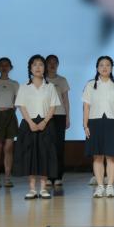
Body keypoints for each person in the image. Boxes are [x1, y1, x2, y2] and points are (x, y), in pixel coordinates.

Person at [14, 55, 60, 200]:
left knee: (45, 155)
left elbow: (53, 106)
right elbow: (21, 106)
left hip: (46, 123)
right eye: (35, 65)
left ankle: (44, 188)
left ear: (45, 68)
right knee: (30, 155)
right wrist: (30, 123)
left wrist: (45, 122)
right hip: (29, 124)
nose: (38, 67)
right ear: (30, 68)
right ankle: (32, 189)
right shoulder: (24, 87)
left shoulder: (50, 86)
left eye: (41, 64)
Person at [84, 56, 114, 198]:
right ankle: (100, 186)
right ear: (97, 68)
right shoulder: (90, 85)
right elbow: (86, 106)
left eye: (107, 65)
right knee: (97, 156)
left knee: (112, 156)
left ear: (111, 68)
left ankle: (110, 187)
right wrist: (85, 125)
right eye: (101, 65)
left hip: (112, 122)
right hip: (94, 122)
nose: (104, 68)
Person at [0, 58, 19, 188]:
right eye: (1, 65)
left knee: (9, 147)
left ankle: (7, 177)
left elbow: (17, 101)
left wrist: (11, 110)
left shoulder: (14, 84)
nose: (4, 67)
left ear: (10, 67)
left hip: (10, 115)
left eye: (6, 65)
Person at [45, 55, 71, 195]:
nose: (52, 65)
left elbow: (65, 100)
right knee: (47, 147)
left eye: (55, 63)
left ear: (58, 65)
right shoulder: (42, 80)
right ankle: (49, 177)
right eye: (50, 63)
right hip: (45, 117)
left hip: (60, 116)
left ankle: (58, 176)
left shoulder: (62, 80)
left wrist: (67, 117)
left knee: (59, 147)